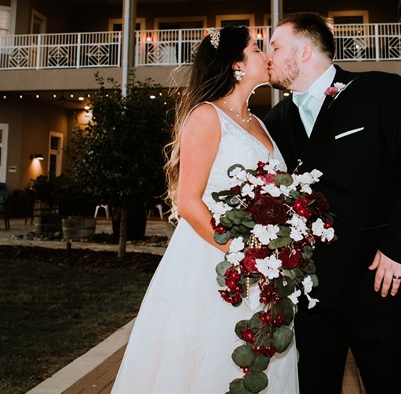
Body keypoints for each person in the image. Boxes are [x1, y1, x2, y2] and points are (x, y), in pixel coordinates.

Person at [263, 12, 401, 393]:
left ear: (305, 51)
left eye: (276, 47)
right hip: (311, 294)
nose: (269, 56)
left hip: (381, 281)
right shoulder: (277, 119)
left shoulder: (378, 92)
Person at [112, 26, 298, 393]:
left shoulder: (259, 122)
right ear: (237, 65)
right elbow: (188, 202)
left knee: (263, 352)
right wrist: (242, 254)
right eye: (256, 48)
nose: (265, 55)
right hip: (213, 257)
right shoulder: (206, 116)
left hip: (263, 263)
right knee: (208, 359)